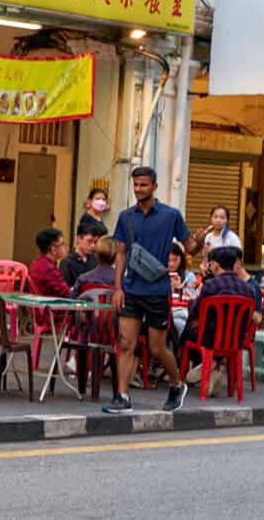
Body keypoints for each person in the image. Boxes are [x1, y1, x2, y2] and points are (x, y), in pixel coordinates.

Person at [105, 166, 203, 415]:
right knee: (126, 344)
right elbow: (121, 253)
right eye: (136, 185)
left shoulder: (171, 216)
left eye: (144, 185)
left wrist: (199, 240)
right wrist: (117, 288)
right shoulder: (126, 217)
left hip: (158, 290)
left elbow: (190, 247)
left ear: (154, 186)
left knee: (157, 347)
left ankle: (177, 384)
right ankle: (123, 396)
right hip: (131, 289)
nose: (138, 189)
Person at [181, 247, 259, 388]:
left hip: (209, 339)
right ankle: (211, 371)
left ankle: (203, 368)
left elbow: (195, 311)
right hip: (236, 341)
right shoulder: (249, 289)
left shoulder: (210, 286)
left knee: (187, 333)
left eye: (210, 264)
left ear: (216, 265)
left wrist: (192, 301)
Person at [29, 228, 70, 297]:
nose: (64, 247)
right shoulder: (49, 269)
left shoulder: (35, 263)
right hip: (51, 306)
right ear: (53, 249)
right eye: (62, 244)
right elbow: (66, 293)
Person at [169, 241, 199, 335]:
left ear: (181, 259)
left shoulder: (189, 276)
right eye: (168, 260)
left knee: (178, 323)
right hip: (163, 315)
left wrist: (179, 289)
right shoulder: (158, 276)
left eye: (175, 260)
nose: (171, 264)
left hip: (183, 315)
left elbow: (192, 300)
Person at [60, 222, 103, 287]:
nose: (93, 246)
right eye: (89, 241)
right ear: (79, 239)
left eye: (95, 242)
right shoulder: (67, 262)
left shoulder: (96, 260)